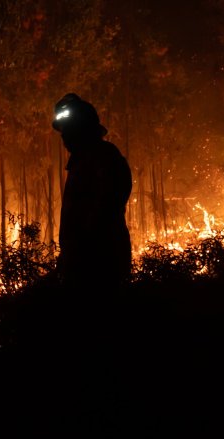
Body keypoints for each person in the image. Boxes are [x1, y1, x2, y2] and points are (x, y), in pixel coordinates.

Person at [52, 93, 133, 301]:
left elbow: (105, 208)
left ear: (83, 129)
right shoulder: (80, 163)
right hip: (82, 263)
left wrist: (79, 251)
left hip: (100, 263)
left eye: (69, 131)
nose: (64, 138)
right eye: (63, 133)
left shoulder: (104, 158)